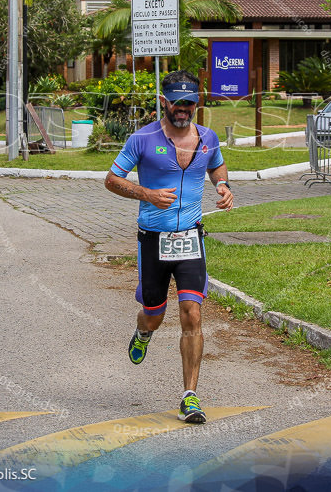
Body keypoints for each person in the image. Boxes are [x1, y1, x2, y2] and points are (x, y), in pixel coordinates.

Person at [103, 70, 233, 424]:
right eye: (177, 102)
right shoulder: (142, 139)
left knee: (192, 312)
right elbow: (111, 180)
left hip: (191, 238)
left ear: (197, 103)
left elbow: (217, 168)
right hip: (153, 241)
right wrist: (147, 194)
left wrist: (223, 187)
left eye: (189, 103)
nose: (183, 109)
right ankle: (143, 332)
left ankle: (189, 396)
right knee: (155, 314)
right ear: (164, 101)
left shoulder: (208, 138)